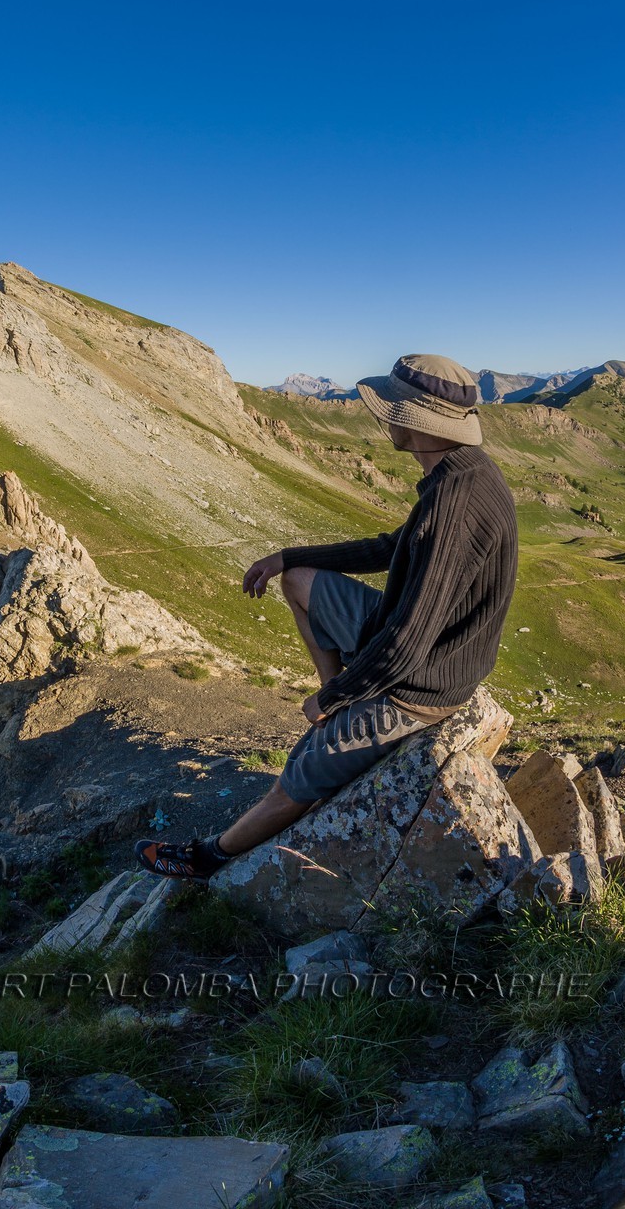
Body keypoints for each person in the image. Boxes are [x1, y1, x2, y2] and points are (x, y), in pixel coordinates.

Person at [134, 353, 518, 881]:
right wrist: (290, 557)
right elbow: (394, 547)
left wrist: (334, 699)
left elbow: (408, 643)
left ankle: (208, 859)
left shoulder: (455, 500)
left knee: (300, 772)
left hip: (422, 685)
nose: (384, 419)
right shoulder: (458, 472)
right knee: (298, 582)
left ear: (416, 420)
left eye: (392, 409)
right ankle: (340, 688)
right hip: (403, 646)